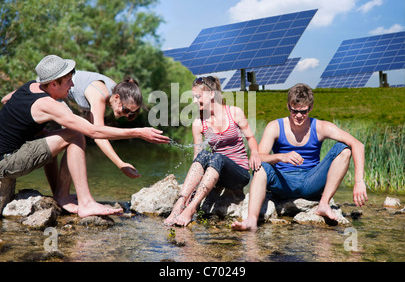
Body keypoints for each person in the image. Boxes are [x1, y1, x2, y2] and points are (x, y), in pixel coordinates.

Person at [0, 55, 170, 217]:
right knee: (76, 135)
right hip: (6, 162)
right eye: (67, 81)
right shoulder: (49, 104)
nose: (73, 84)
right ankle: (86, 203)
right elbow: (94, 132)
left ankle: (61, 196)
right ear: (53, 84)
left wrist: (29, 127)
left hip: (7, 154)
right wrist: (138, 132)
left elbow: (5, 100)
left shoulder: (31, 86)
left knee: (50, 134)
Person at [232, 83, 368, 231]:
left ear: (310, 108)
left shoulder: (320, 127)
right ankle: (251, 220)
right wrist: (281, 157)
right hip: (282, 183)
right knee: (260, 167)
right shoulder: (275, 126)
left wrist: (359, 181)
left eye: (303, 112)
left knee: (344, 149)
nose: (298, 116)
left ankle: (323, 204)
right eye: (294, 111)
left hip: (311, 182)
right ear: (288, 107)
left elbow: (358, 144)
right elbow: (259, 157)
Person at [2, 70, 146, 179]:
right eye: (126, 109)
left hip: (51, 87)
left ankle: (59, 193)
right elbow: (97, 134)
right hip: (55, 91)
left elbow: (6, 101)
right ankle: (63, 194)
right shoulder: (100, 96)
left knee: (10, 100)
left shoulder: (118, 89)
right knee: (75, 136)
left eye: (131, 114)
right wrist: (120, 164)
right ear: (116, 98)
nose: (126, 114)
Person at [164, 76, 261, 227]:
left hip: (238, 174)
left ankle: (191, 209)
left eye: (198, 97)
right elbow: (198, 158)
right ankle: (181, 203)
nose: (195, 102)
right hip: (216, 175)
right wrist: (191, 188)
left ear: (211, 94)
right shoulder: (198, 123)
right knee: (205, 155)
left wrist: (254, 152)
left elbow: (251, 138)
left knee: (218, 157)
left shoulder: (234, 113)